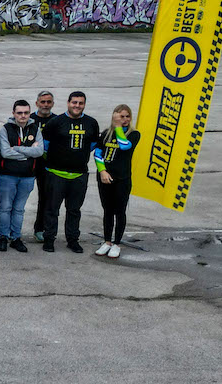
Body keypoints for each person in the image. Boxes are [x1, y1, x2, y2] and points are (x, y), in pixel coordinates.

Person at [41, 91, 100, 253]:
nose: (77, 106)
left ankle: (73, 240)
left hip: (79, 175)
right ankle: (49, 239)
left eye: (80, 103)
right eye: (74, 102)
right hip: (56, 173)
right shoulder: (55, 122)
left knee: (74, 210)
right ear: (68, 103)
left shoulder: (91, 123)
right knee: (52, 209)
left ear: (84, 104)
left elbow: (93, 145)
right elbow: (44, 146)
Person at [0, 100, 44, 253]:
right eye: (19, 113)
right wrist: (29, 152)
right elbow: (5, 152)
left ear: (30, 113)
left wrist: (16, 148)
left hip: (28, 176)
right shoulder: (5, 129)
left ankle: (16, 237)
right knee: (5, 208)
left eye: (26, 113)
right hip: (7, 175)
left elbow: (39, 152)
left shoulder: (35, 129)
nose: (23, 116)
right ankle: (3, 236)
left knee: (19, 209)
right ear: (13, 113)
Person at [94, 105, 141, 259]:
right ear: (114, 116)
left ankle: (117, 243)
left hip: (122, 179)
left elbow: (124, 146)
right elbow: (98, 153)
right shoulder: (106, 133)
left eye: (127, 116)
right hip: (105, 178)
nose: (125, 119)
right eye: (121, 116)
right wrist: (102, 171)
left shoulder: (134, 134)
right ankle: (107, 241)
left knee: (120, 211)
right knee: (107, 210)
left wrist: (119, 127)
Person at [30, 91, 57, 242]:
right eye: (43, 102)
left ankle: (40, 229)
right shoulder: (29, 119)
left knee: (45, 198)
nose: (45, 105)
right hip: (29, 164)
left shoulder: (57, 120)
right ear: (37, 103)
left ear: (53, 103)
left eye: (48, 102)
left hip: (47, 166)